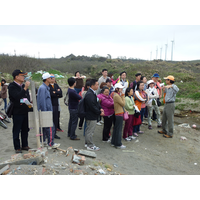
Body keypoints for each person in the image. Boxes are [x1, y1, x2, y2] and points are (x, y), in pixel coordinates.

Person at [8, 69, 31, 153]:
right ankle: (17, 147)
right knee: (17, 129)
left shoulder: (23, 86)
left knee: (25, 129)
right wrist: (25, 88)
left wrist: (29, 106)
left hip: (25, 110)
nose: (23, 77)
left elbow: (26, 98)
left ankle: (24, 145)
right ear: (16, 77)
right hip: (17, 111)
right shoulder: (12, 86)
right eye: (22, 75)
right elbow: (16, 97)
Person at [37, 72, 60, 148]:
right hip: (45, 111)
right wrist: (45, 112)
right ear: (47, 79)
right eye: (50, 78)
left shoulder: (46, 87)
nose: (52, 79)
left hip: (47, 110)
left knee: (44, 127)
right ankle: (51, 143)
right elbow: (42, 101)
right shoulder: (43, 88)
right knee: (50, 127)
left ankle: (43, 141)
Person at [84, 79, 104, 150]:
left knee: (88, 129)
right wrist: (99, 112)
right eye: (97, 85)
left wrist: (100, 108)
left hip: (91, 114)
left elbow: (96, 102)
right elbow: (92, 106)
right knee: (90, 130)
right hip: (91, 114)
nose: (98, 86)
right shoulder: (89, 94)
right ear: (92, 85)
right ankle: (90, 145)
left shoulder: (93, 92)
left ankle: (87, 143)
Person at [111, 83, 126, 149]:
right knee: (119, 129)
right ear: (117, 89)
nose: (122, 89)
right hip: (119, 113)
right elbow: (123, 104)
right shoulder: (117, 96)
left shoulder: (115, 95)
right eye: (121, 88)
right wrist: (123, 96)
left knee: (116, 128)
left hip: (117, 113)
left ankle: (114, 141)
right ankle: (118, 143)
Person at [49, 74, 63, 139]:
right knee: (49, 119)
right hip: (50, 104)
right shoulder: (48, 86)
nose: (52, 79)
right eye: (51, 77)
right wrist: (55, 93)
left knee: (55, 119)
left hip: (56, 104)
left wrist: (55, 93)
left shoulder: (56, 85)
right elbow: (50, 94)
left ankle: (54, 133)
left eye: (53, 77)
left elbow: (61, 94)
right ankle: (49, 134)